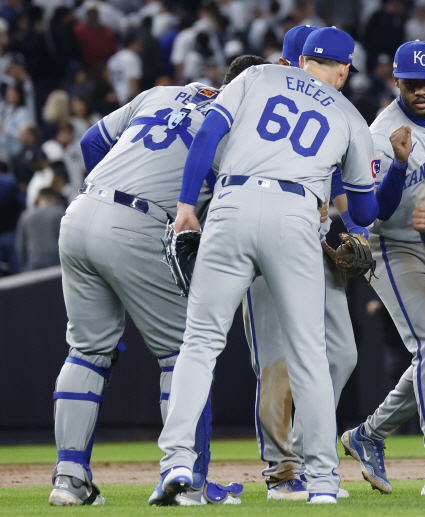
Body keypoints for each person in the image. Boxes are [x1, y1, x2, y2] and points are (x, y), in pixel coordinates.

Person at [155, 27, 378, 506]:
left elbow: (209, 133)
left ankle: (176, 461)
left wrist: (186, 206)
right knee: (309, 353)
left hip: (232, 202)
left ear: (301, 60)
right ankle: (320, 483)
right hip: (295, 214)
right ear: (342, 68)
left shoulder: (257, 75)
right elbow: (363, 211)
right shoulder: (349, 113)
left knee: (200, 341)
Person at [50, 74, 242, 506]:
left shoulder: (162, 92)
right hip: (139, 223)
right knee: (184, 353)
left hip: (81, 211)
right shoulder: (234, 119)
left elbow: (89, 144)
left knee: (86, 351)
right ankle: (188, 481)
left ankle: (69, 479)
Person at [341, 41, 425, 497]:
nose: (422, 91)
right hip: (392, 248)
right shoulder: (383, 133)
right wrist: (399, 165)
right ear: (396, 81)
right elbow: (375, 212)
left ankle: (369, 434)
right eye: (412, 83)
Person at [240, 26, 361, 502]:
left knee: (342, 352)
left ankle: (309, 453)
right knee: (275, 363)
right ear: (293, 64)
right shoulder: (258, 94)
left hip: (312, 243)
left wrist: (344, 230)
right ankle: (281, 471)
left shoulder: (330, 108)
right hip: (261, 239)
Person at [15, 187, 63, 271]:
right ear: (53, 199)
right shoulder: (58, 214)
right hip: (55, 257)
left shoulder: (26, 216)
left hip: (34, 258)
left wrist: (24, 263)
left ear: (39, 199)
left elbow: (20, 245)